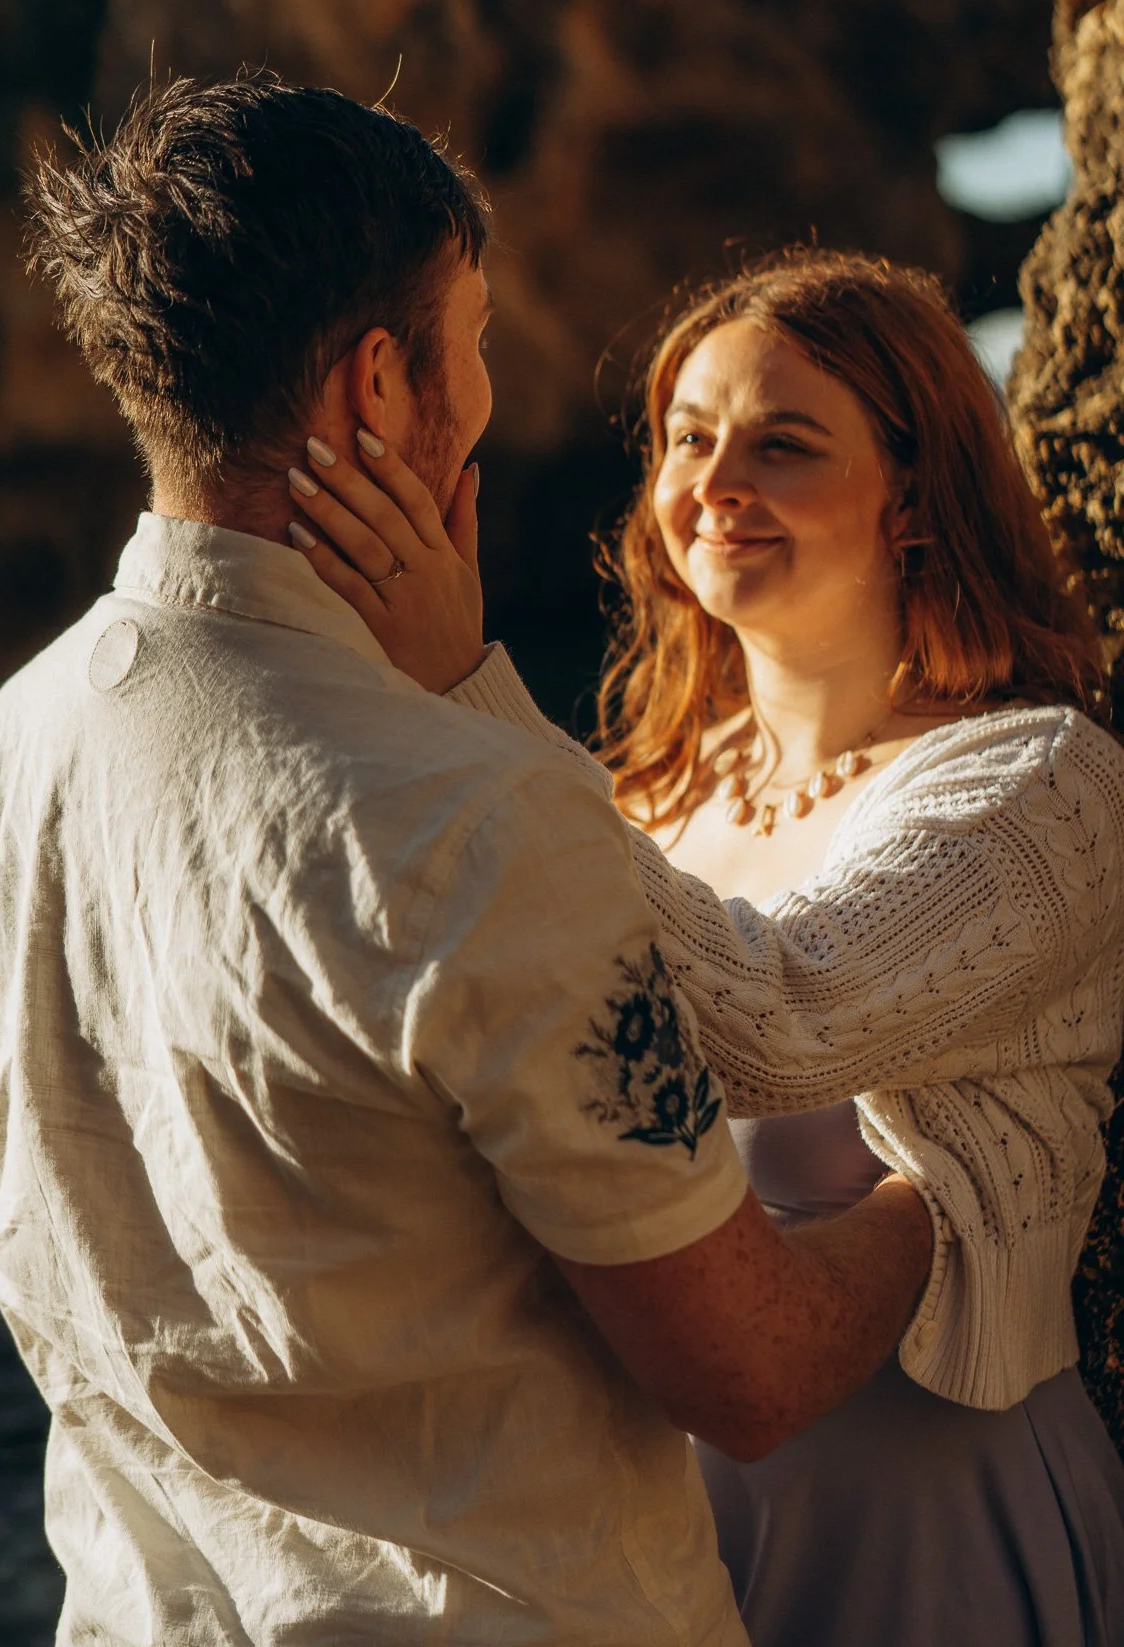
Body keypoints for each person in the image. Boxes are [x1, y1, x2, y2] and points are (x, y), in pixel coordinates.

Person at [0, 84, 934, 1647]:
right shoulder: (475, 812)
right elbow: (750, 1369)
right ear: (380, 382)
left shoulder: (15, 747)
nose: (487, 384)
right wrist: (948, 1195)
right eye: (473, 337)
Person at [287, 248, 1124, 1646]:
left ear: (915, 497)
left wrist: (462, 692)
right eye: (688, 438)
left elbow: (774, 1019)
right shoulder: (645, 798)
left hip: (928, 1537)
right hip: (664, 1545)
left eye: (783, 444)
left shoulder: (1046, 786)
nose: (715, 484)